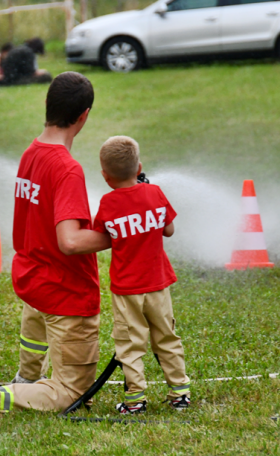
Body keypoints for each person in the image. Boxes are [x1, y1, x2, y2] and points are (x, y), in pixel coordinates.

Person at [0, 72, 110, 419]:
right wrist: (119, 235)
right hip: (65, 292)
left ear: (47, 104)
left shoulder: (33, 152)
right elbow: (70, 241)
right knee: (73, 392)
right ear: (84, 115)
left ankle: (26, 377)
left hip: (35, 283)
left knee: (35, 338)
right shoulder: (67, 169)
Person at [92, 136, 191, 414]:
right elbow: (169, 231)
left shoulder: (108, 203)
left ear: (105, 177)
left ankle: (135, 400)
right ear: (139, 167)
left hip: (127, 290)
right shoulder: (155, 192)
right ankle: (180, 393)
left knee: (130, 344)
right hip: (158, 285)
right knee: (167, 337)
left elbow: (103, 236)